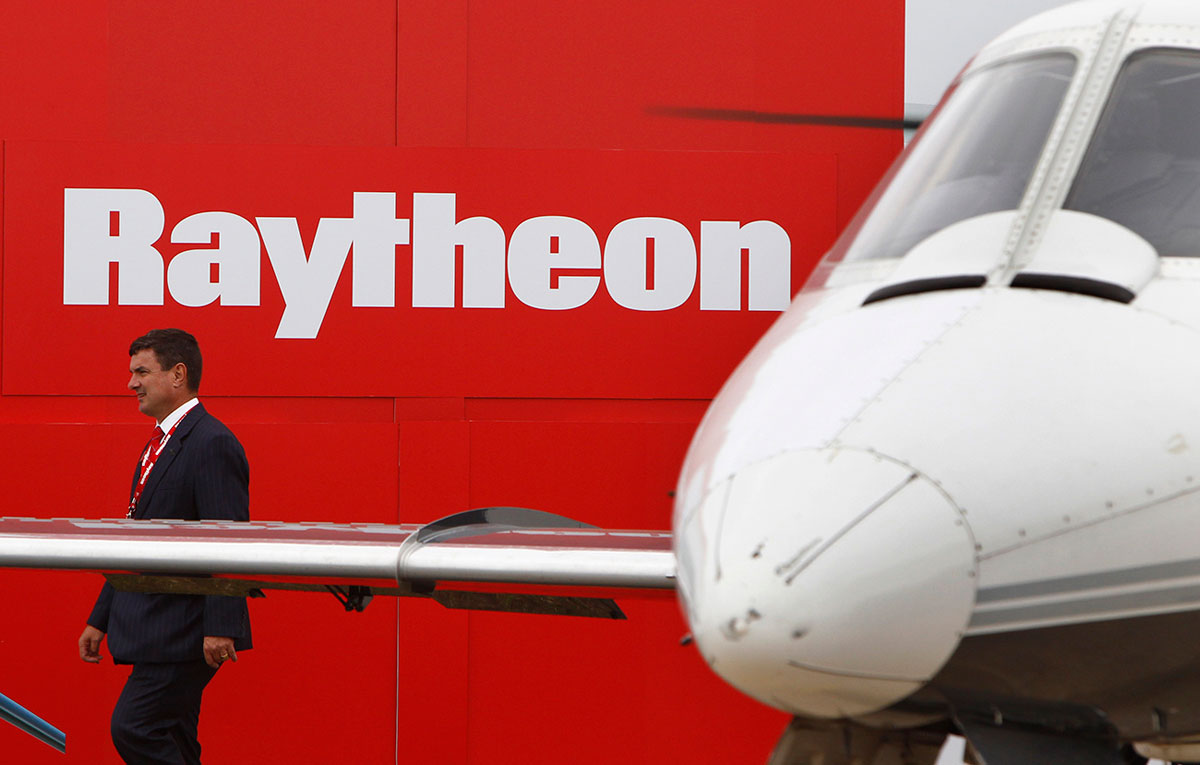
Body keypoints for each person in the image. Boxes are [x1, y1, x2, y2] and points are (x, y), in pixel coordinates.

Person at [77, 328, 252, 764]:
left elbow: (228, 536)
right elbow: (137, 537)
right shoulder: (161, 443)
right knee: (173, 735)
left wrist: (222, 625)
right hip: (156, 626)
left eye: (141, 371)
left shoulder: (212, 442)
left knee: (135, 726)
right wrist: (102, 616)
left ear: (178, 374)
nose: (130, 384)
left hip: (186, 629)